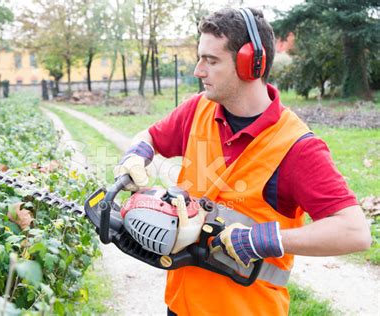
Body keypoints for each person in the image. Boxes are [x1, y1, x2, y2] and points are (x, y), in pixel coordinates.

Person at [113, 7, 371, 315]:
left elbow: (355, 232)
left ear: (251, 64)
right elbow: (151, 136)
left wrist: (264, 240)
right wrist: (137, 152)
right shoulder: (198, 110)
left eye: (211, 60)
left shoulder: (297, 147)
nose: (198, 70)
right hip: (181, 305)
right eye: (200, 57)